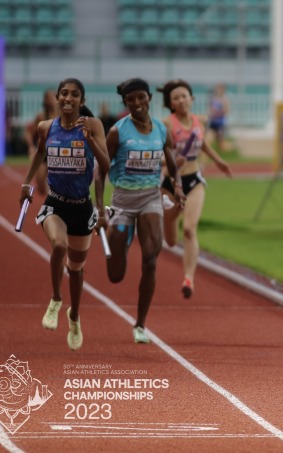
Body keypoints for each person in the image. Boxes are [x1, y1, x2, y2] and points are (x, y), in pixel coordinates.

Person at [19, 78, 110, 351]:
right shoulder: (46, 127)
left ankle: (74, 315)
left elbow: (105, 166)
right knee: (59, 245)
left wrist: (90, 142)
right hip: (56, 203)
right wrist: (27, 182)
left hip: (82, 206)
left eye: (74, 95)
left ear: (82, 101)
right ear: (58, 98)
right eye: (64, 93)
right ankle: (56, 298)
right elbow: (39, 153)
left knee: (77, 268)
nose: (68, 98)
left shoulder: (93, 126)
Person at [95, 78, 181, 344]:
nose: (136, 103)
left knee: (151, 260)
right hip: (122, 202)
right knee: (115, 275)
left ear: (149, 98)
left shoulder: (161, 129)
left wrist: (176, 184)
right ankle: (119, 235)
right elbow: (100, 173)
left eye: (141, 97)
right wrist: (99, 208)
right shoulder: (118, 132)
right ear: (126, 103)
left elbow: (171, 158)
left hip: (150, 199)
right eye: (130, 99)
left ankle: (140, 325)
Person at [156, 79, 232, 299]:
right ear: (171, 103)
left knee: (189, 229)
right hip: (170, 185)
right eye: (176, 98)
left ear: (192, 98)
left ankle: (188, 278)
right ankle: (169, 224)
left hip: (193, 181)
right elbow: (157, 153)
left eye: (184, 96)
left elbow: (202, 144)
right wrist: (168, 162)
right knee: (170, 241)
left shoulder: (202, 121)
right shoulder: (167, 125)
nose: (181, 100)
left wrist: (218, 161)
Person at [23, 89, 59, 195]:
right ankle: (49, 199)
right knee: (40, 183)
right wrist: (31, 146)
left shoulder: (62, 115)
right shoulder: (41, 116)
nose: (52, 99)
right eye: (49, 97)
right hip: (44, 152)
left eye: (53, 96)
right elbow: (29, 133)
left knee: (57, 183)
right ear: (45, 101)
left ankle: (54, 203)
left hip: (57, 153)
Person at [207, 83, 230, 152]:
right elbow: (210, 109)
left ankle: (231, 147)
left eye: (220, 89)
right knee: (208, 140)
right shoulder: (213, 98)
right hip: (213, 122)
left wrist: (216, 113)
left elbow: (226, 111)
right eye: (217, 88)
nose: (218, 90)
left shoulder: (225, 99)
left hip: (220, 123)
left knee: (220, 145)